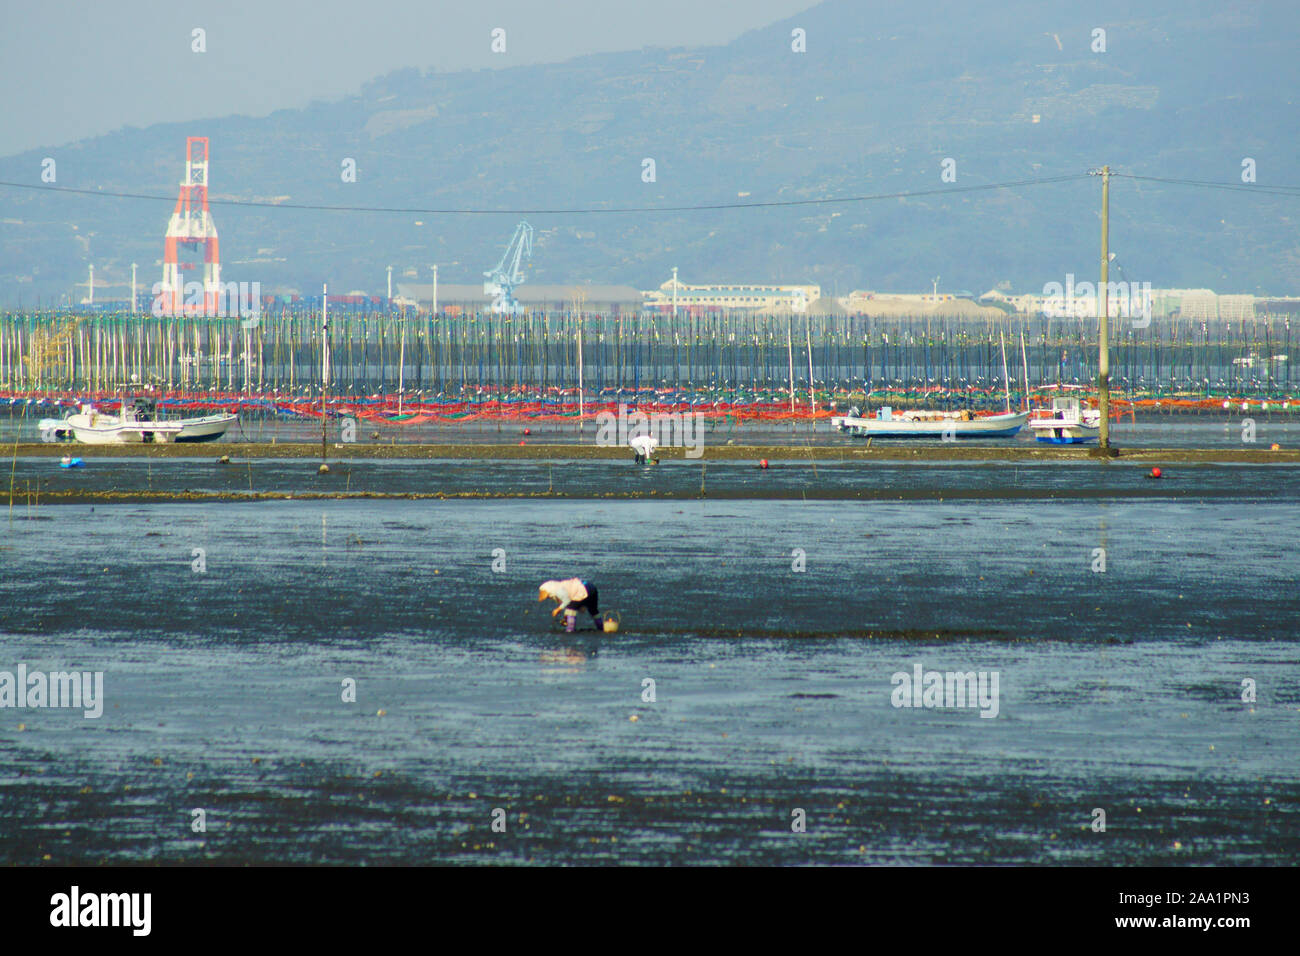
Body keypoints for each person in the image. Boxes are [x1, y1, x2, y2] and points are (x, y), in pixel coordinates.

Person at [539, 578, 603, 633]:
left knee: (570, 609)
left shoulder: (558, 591)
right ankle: (601, 628)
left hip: (582, 590)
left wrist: (558, 610)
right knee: (593, 610)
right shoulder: (558, 586)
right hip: (590, 586)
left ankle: (570, 629)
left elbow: (567, 601)